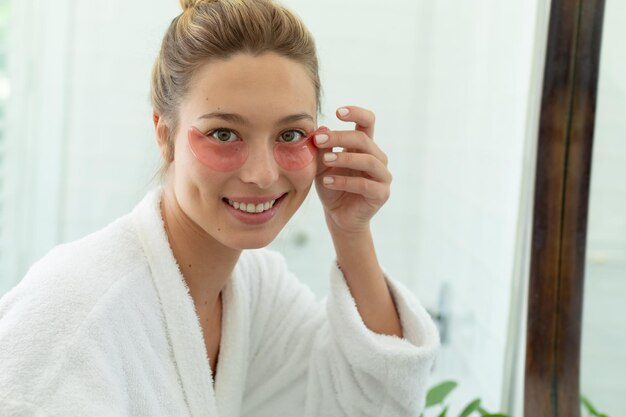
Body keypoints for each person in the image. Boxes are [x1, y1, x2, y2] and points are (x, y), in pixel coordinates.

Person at [0, 0, 440, 416]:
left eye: (289, 136)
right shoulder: (72, 316)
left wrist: (350, 229)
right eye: (225, 135)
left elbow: (369, 403)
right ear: (164, 132)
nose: (263, 174)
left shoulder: (256, 289)